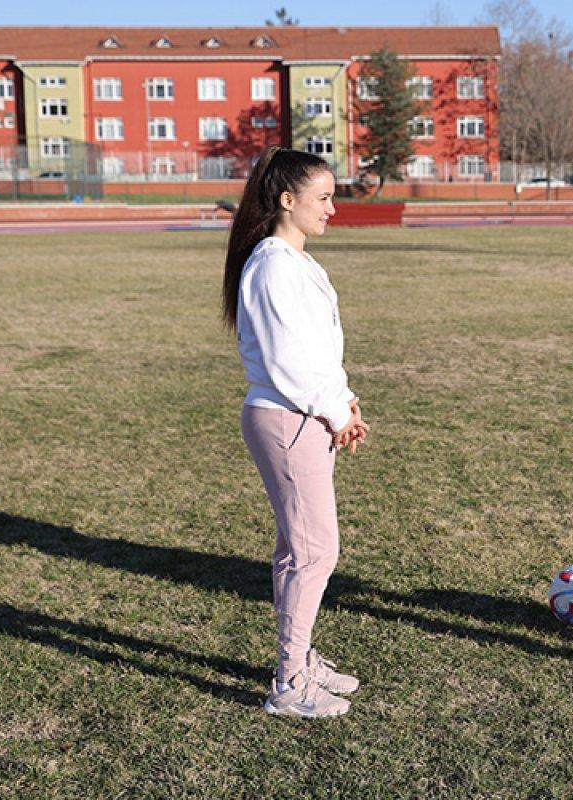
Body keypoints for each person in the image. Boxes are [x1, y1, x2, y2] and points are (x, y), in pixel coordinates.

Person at [221, 146, 369, 718]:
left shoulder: (295, 261)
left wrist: (343, 400)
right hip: (288, 418)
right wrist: (334, 410)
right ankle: (289, 685)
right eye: (323, 197)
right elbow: (289, 363)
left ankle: (300, 660)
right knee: (315, 552)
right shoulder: (273, 264)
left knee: (297, 550)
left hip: (304, 415)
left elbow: (317, 352)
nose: (333, 208)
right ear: (287, 200)